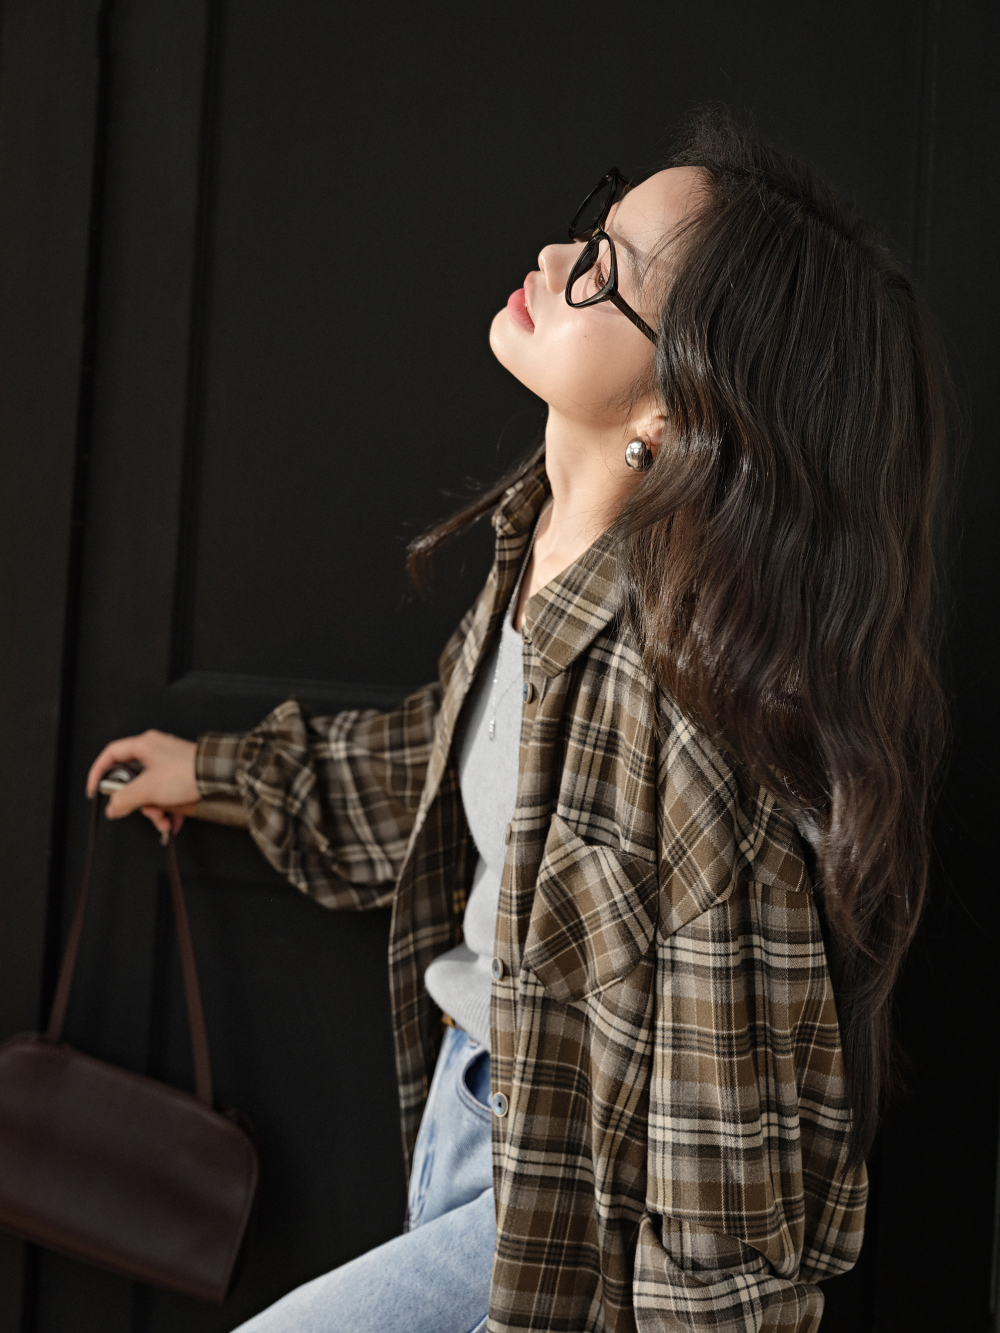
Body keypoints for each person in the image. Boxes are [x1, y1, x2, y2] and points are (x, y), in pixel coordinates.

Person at [86, 109, 946, 1333]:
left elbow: (724, 1173)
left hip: (570, 1204)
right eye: (586, 226)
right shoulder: (537, 551)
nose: (555, 260)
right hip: (469, 1112)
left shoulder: (689, 708)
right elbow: (442, 772)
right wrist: (221, 773)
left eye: (607, 267)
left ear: (683, 405)